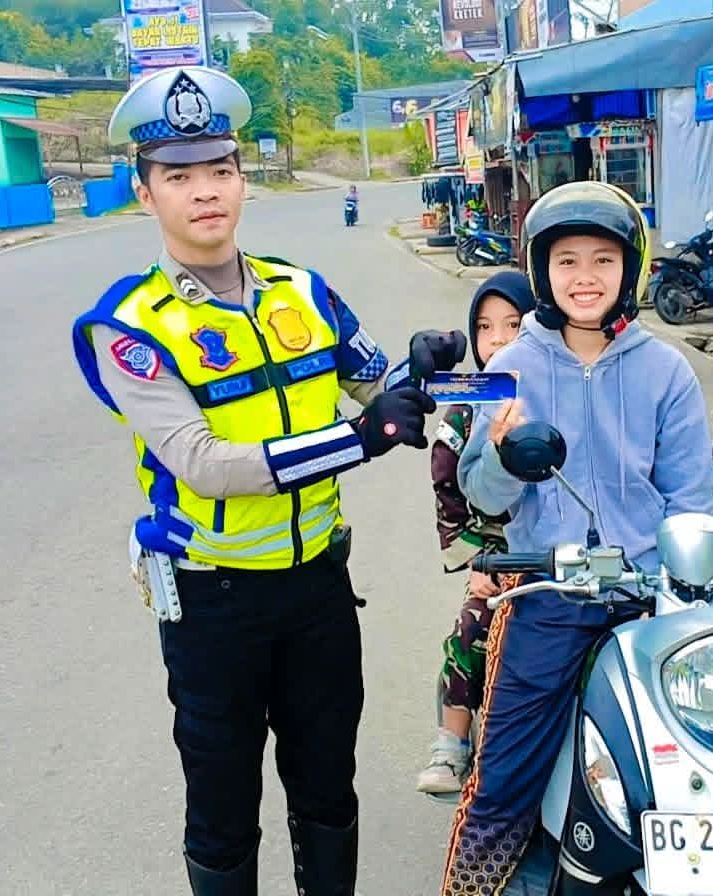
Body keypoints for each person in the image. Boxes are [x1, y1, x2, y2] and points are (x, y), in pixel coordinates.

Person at [68, 66, 468, 896]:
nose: (204, 192)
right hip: (214, 605)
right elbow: (203, 463)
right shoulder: (127, 326)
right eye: (178, 177)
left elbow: (371, 387)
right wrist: (358, 440)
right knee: (222, 802)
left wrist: (419, 369)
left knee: (327, 785)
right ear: (145, 193)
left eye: (219, 170)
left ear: (243, 179)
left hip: (318, 588)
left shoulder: (303, 292)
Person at [438, 181, 713, 894]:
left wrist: (686, 582)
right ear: (541, 272)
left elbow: (689, 496)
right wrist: (500, 454)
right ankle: (476, 884)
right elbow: (479, 493)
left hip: (648, 597)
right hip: (549, 594)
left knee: (697, 761)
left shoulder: (667, 371)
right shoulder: (511, 368)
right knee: (503, 772)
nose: (584, 277)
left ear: (631, 269)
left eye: (602, 259)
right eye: (566, 261)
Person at [416, 271, 536, 795]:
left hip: (563, 554)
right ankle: (453, 744)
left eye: (514, 324)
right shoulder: (467, 403)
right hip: (495, 561)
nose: (500, 339)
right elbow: (446, 482)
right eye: (485, 328)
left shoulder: (557, 388)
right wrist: (477, 565)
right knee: (471, 632)